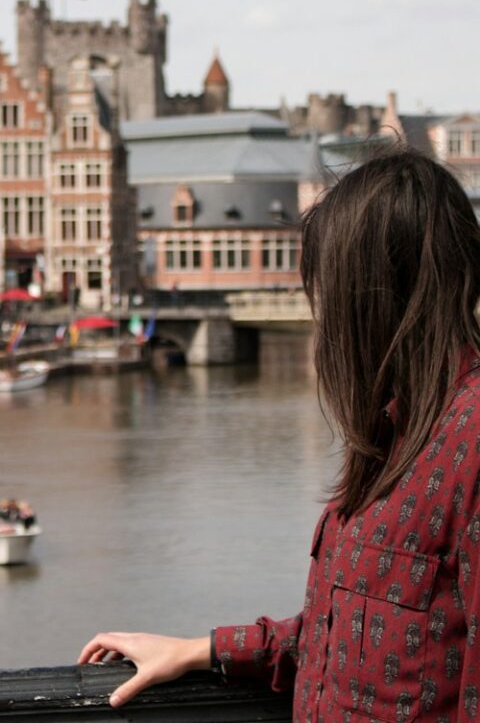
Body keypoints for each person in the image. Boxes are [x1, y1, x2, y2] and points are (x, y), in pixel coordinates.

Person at [78, 148, 480, 718]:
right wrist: (203, 650)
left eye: (327, 295)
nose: (321, 321)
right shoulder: (398, 433)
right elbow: (348, 635)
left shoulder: (471, 440)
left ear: (372, 297)